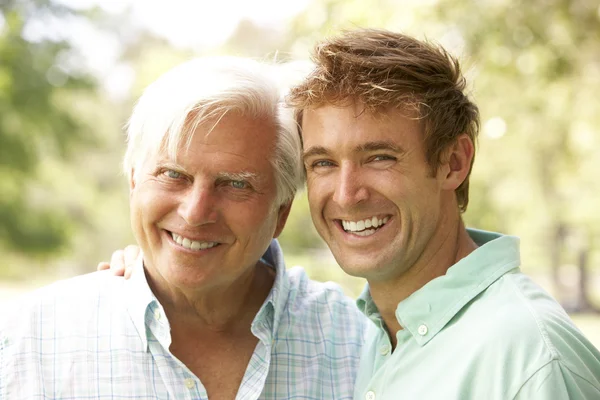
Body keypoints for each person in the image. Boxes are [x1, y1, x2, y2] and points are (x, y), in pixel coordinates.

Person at [104, 29, 600, 399]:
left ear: (453, 162)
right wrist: (164, 266)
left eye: (379, 157)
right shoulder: (372, 338)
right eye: (323, 162)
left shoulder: (531, 360)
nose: (347, 193)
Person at [0, 56, 366, 399]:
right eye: (172, 175)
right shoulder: (29, 341)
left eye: (236, 184)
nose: (195, 213)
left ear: (281, 213)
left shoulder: (355, 340)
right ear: (133, 183)